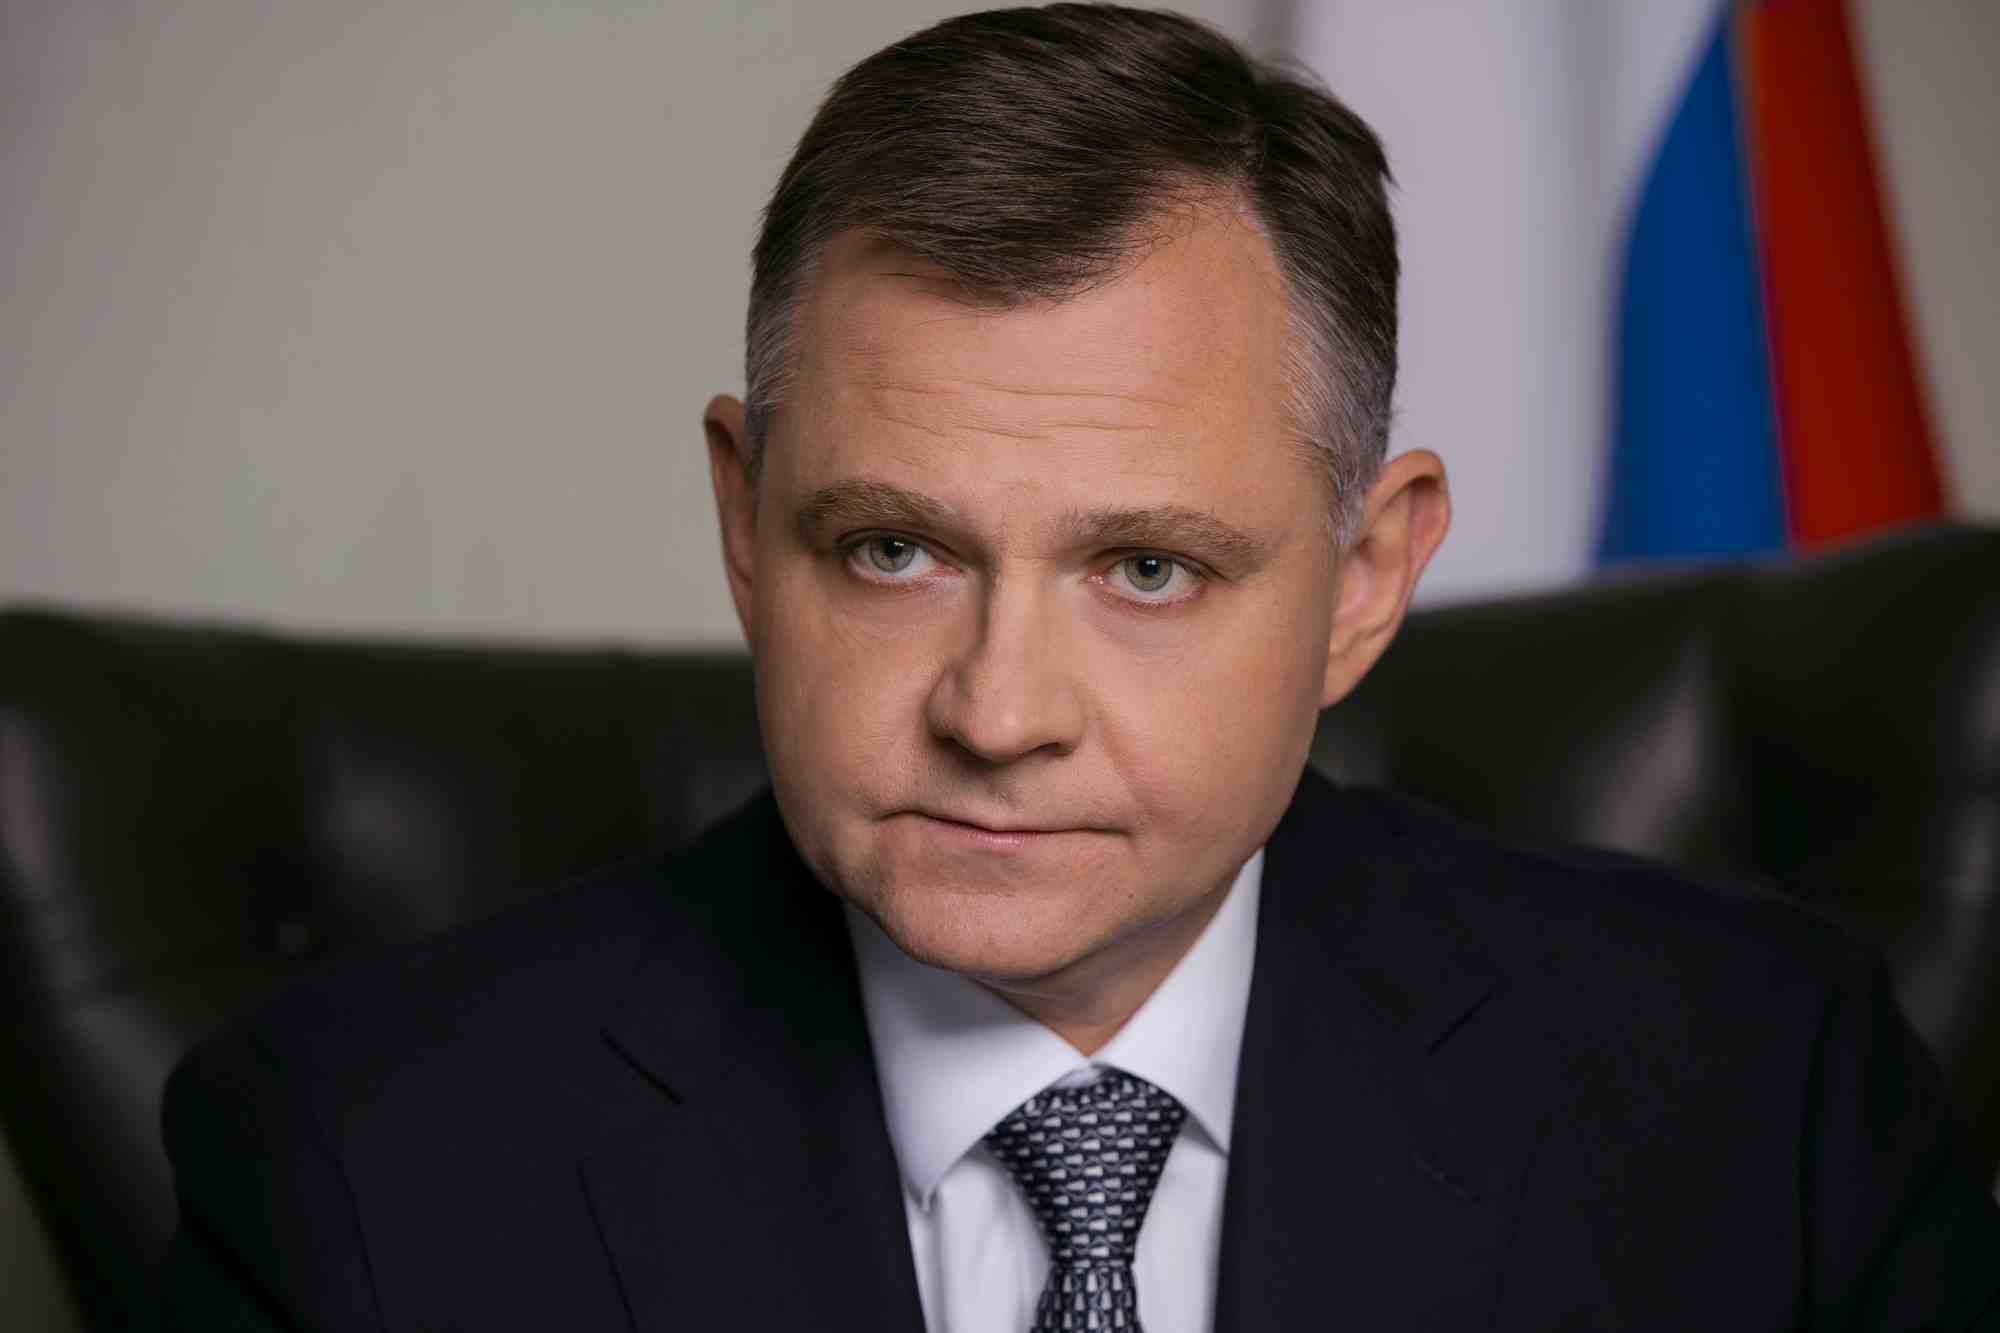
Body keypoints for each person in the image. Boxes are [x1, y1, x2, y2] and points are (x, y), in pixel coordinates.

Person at [157, 5, 2000, 1330]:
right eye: (894, 550)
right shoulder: (357, 1168)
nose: (998, 710)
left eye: (1145, 569)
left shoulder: (1770, 1103)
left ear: (1366, 581)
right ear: (744, 520)